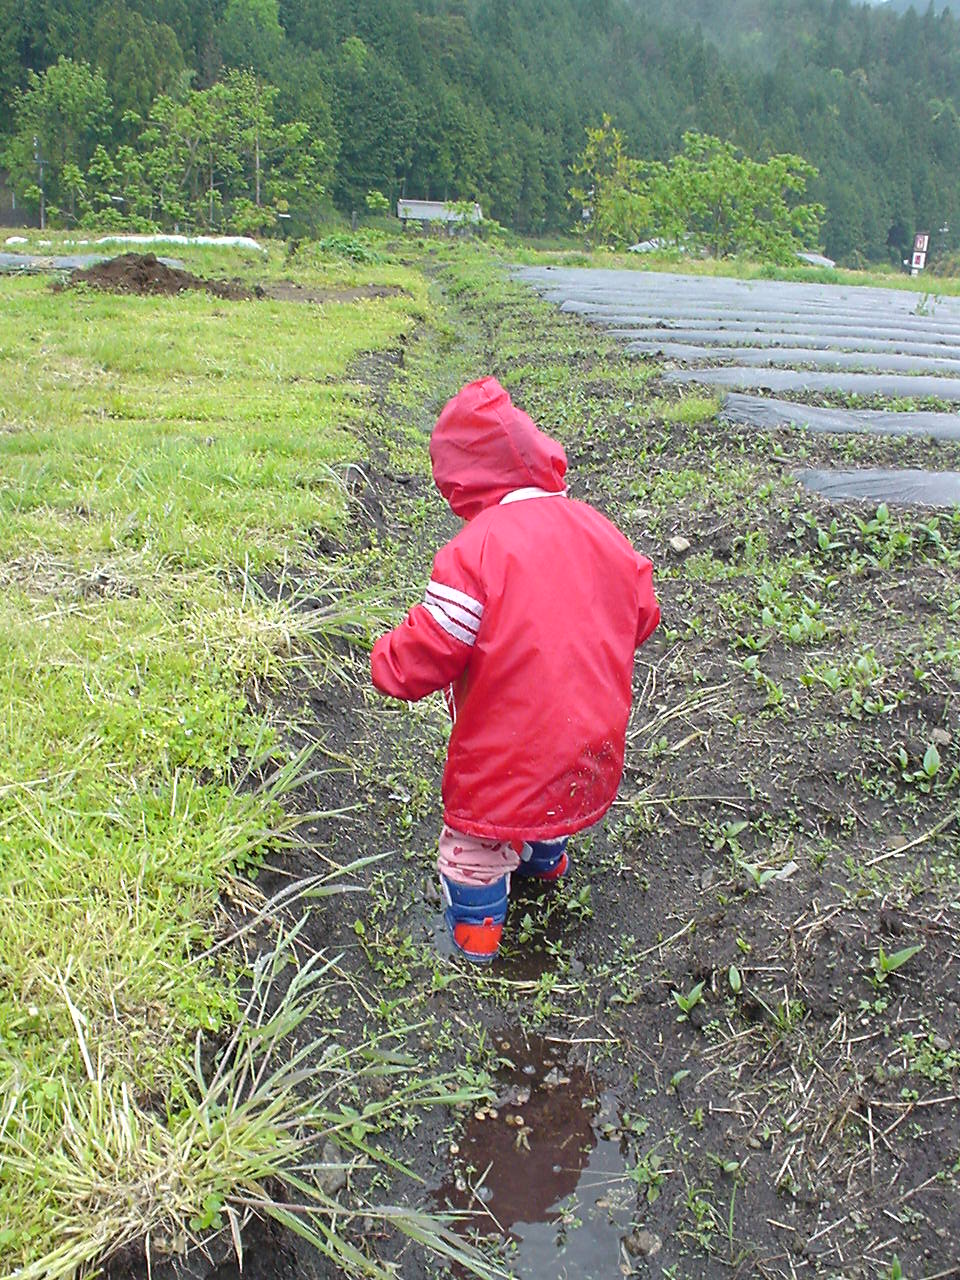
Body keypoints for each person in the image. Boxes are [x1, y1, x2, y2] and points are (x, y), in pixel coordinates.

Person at [370, 377, 660, 963]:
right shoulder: (599, 529)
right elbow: (643, 611)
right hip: (590, 740)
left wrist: (387, 660)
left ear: (462, 482)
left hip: (504, 754)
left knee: (476, 839)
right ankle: (545, 860)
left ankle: (478, 936)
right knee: (550, 799)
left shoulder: (474, 551)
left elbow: (433, 645)